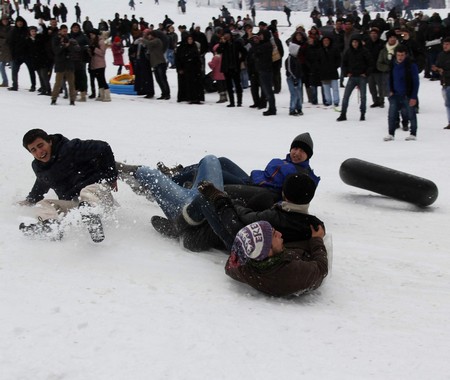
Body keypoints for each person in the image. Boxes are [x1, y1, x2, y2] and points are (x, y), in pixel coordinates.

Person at [157, 132, 320, 206]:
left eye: (302, 151)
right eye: (295, 148)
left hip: (256, 190)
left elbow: (299, 196)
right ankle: (177, 173)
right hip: (250, 180)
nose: (297, 153)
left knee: (209, 173)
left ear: (308, 155)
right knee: (221, 161)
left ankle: (165, 185)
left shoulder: (302, 175)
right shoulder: (286, 162)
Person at [18, 129, 118, 242]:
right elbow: (42, 183)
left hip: (99, 198)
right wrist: (30, 200)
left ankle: (92, 217)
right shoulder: (39, 167)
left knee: (87, 192)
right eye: (33, 150)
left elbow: (103, 147)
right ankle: (51, 227)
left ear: (49, 141)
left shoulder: (70, 148)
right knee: (43, 204)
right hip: (74, 204)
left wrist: (112, 177)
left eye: (41, 145)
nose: (39, 152)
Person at [383, 45, 419, 141]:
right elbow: (389, 78)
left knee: (411, 114)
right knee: (392, 114)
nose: (400, 57)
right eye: (398, 55)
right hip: (394, 94)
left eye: (402, 55)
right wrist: (390, 90)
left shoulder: (411, 65)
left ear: (406, 55)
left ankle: (413, 133)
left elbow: (416, 82)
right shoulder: (392, 64)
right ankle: (391, 133)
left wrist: (414, 97)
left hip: (407, 94)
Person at [337, 35, 372, 122]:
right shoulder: (348, 52)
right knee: (346, 97)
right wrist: (346, 73)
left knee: (363, 97)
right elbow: (344, 63)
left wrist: (366, 73)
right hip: (352, 77)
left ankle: (362, 114)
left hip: (361, 77)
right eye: (353, 42)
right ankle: (343, 114)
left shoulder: (365, 51)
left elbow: (371, 63)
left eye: (356, 42)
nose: (355, 44)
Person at [50, 24, 77, 105]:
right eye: (64, 31)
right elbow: (56, 51)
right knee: (58, 83)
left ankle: (72, 99)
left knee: (71, 83)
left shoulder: (68, 38)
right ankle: (54, 99)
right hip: (60, 63)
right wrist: (62, 45)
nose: (65, 33)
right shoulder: (55, 39)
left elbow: (73, 50)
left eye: (66, 31)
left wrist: (70, 46)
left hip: (69, 63)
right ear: (60, 31)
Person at [432, 37, 450, 130]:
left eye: (447, 44)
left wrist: (443, 71)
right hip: (444, 83)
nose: (445, 46)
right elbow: (438, 66)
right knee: (447, 103)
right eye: (444, 44)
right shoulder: (441, 55)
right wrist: (436, 69)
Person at [285, 42, 303, 116]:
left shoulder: (296, 58)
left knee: (299, 94)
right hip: (291, 79)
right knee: (294, 94)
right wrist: (294, 78)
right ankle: (292, 109)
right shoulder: (289, 59)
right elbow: (289, 70)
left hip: (298, 78)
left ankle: (299, 108)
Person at [0, 14, 12, 87]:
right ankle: (5, 81)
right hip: (3, 50)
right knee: (1, 66)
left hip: (11, 50)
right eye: (4, 20)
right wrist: (4, 40)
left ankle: (15, 83)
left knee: (14, 68)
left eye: (6, 20)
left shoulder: (11, 28)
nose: (5, 21)